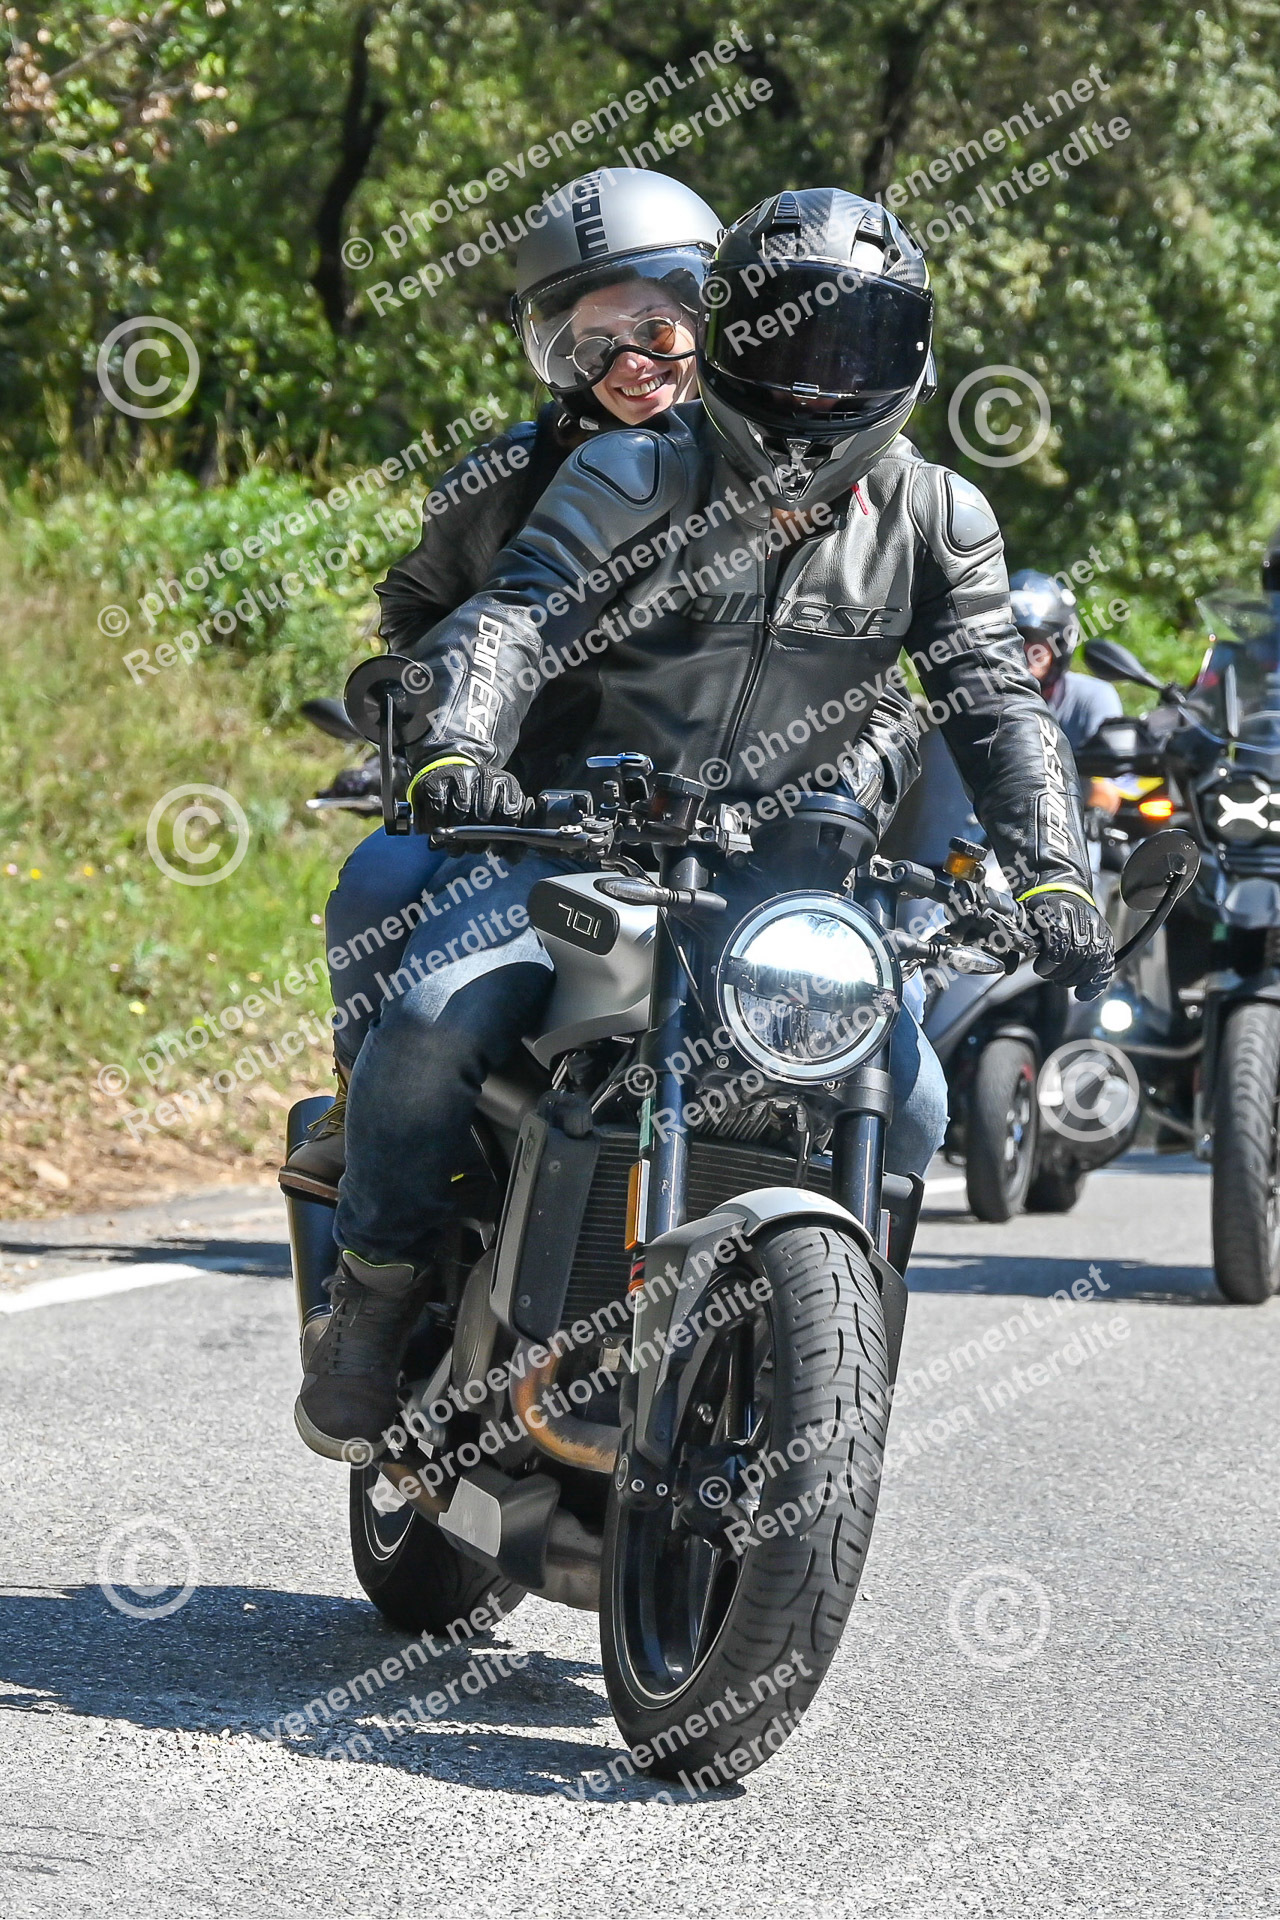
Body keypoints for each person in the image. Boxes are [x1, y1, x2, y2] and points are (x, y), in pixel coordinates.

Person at [295, 186, 1115, 1460]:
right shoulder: (632, 469)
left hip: (785, 873)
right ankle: (376, 1290)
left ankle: (823, 1368)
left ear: (908, 355)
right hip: (575, 838)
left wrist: (1054, 875)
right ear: (729, 334)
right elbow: (515, 615)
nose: (816, 380)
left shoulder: (939, 516)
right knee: (428, 1022)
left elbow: (995, 704)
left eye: (852, 344)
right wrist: (457, 742)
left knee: (910, 1105)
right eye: (789, 339)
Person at [281, 168, 722, 1202]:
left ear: (711, 322)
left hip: (714, 829)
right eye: (588, 342)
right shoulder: (503, 476)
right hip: (528, 812)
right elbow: (419, 605)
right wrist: (447, 733)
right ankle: (364, 1120)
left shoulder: (775, 474)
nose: (626, 364)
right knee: (377, 886)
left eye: (654, 332)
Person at [1011, 569, 1122, 753]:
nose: (1027, 649)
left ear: (1060, 644)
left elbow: (1110, 770)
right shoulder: (980, 702)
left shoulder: (1091, 698)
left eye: (1038, 638)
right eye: (1016, 639)